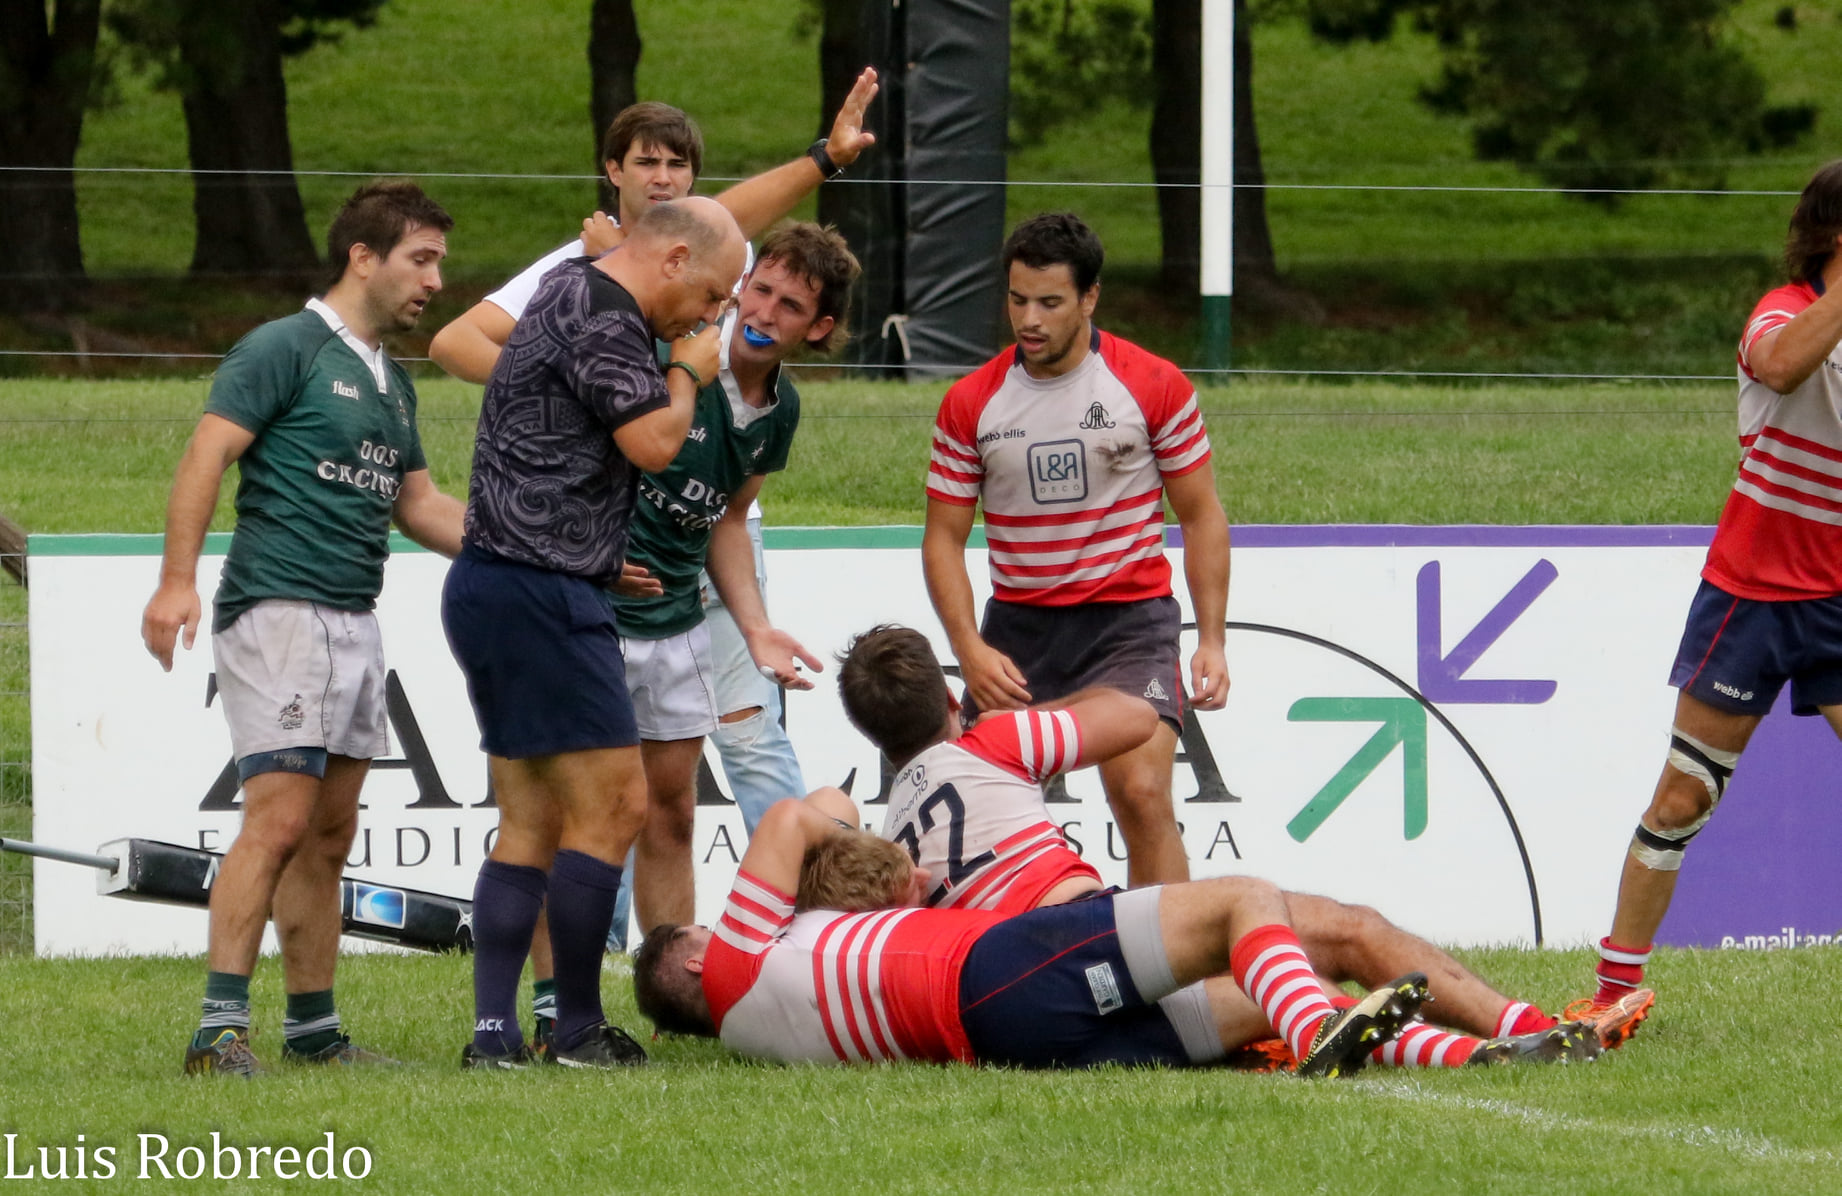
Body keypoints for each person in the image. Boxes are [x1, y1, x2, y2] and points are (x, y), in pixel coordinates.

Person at [833, 624, 1649, 1068]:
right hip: (1077, 936)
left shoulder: (892, 835)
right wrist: (1015, 706)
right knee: (1343, 931)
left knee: (1298, 995)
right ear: (949, 697)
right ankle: (1528, 1022)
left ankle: (1479, 1059)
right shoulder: (992, 742)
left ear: (873, 734)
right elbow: (1132, 719)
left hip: (1044, 1016)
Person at [139, 180, 466, 1076]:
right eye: (421, 258)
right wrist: (176, 583)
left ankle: (315, 1033)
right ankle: (217, 1032)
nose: (436, 279)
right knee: (277, 824)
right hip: (281, 611)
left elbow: (422, 505)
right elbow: (207, 451)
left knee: (329, 833)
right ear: (363, 256)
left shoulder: (392, 380)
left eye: (439, 260)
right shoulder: (284, 346)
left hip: (356, 619)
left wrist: (532, 546)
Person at [441, 196, 747, 1070]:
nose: (711, 317)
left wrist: (591, 550)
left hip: (495, 581)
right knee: (617, 805)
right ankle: (574, 1028)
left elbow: (541, 440)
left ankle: (495, 1035)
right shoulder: (614, 322)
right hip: (543, 596)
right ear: (676, 259)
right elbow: (654, 443)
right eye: (713, 295)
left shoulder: (564, 287)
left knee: (531, 819)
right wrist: (688, 370)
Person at [635, 793, 1433, 1076]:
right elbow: (791, 815)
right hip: (987, 970)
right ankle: (1323, 1033)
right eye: (713, 926)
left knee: (1255, 999)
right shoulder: (737, 963)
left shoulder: (751, 1034)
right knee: (1245, 902)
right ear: (701, 956)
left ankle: (1459, 1053)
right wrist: (846, 833)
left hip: (1014, 1040)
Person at [1580, 160, 1842, 1014]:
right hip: (1752, 596)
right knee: (1683, 795)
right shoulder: (1786, 311)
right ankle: (1615, 987)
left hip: (1838, 602)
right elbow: (1780, 367)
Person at [922, 212, 1229, 888]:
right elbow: (943, 538)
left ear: (1090, 298)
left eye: (1050, 303)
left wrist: (1211, 638)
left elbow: (1201, 514)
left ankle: (1173, 978)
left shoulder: (1152, 386)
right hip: (1019, 632)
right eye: (1016, 299)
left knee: (1142, 792)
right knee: (983, 808)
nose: (1028, 319)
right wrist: (969, 648)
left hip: (1130, 621)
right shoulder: (971, 403)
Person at [616, 223, 861, 934]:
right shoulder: (673, 354)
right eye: (760, 291)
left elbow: (727, 518)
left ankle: (802, 930)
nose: (763, 313)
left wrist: (754, 628)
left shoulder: (780, 409)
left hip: (679, 618)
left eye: (789, 306)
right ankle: (582, 973)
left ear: (818, 329)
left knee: (674, 809)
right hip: (600, 605)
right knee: (609, 803)